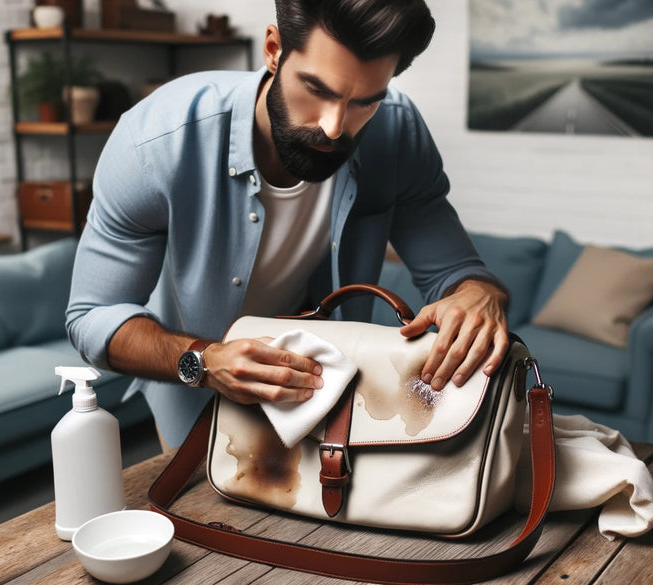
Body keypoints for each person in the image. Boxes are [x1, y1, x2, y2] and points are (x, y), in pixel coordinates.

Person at [66, 0, 511, 450]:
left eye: (364, 103)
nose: (334, 128)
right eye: (316, 89)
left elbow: (457, 274)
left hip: (332, 405)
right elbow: (93, 316)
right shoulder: (156, 142)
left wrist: (478, 296)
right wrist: (206, 359)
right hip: (196, 403)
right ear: (274, 49)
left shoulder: (397, 131)